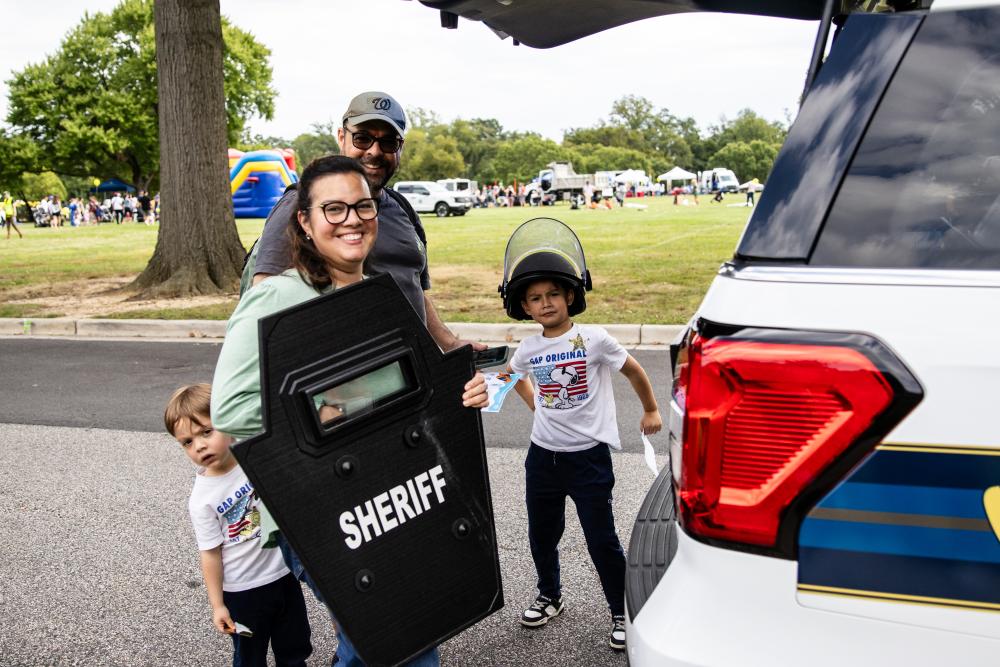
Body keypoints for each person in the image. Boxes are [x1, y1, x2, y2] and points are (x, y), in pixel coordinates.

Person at [213, 155, 489, 667]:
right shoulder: (277, 297)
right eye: (333, 208)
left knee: (389, 640)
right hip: (316, 510)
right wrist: (327, 409)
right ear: (305, 220)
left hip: (388, 497)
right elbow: (231, 408)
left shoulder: (380, 297)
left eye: (362, 206)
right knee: (400, 642)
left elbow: (407, 395)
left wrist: (461, 395)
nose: (351, 219)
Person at [501, 220, 662, 652]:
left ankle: (620, 609)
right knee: (542, 533)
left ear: (571, 295)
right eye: (535, 298)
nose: (545, 303)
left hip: (588, 459)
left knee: (601, 538)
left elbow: (633, 369)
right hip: (543, 458)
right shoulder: (529, 349)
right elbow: (512, 376)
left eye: (553, 294)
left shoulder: (593, 339)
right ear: (525, 307)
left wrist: (649, 407)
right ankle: (550, 596)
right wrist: (535, 403)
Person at [245, 91, 481, 355]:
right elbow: (264, 304)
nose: (374, 151)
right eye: (363, 138)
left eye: (389, 142)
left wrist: (449, 343)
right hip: (350, 380)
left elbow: (412, 289)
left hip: (414, 374)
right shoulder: (303, 204)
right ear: (342, 137)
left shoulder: (402, 208)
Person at [165, 383, 312, 667]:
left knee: (294, 650)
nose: (199, 446)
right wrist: (217, 604)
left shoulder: (254, 458)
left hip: (284, 575)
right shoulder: (202, 499)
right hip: (243, 592)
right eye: (187, 442)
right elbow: (209, 553)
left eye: (207, 432)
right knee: (249, 659)